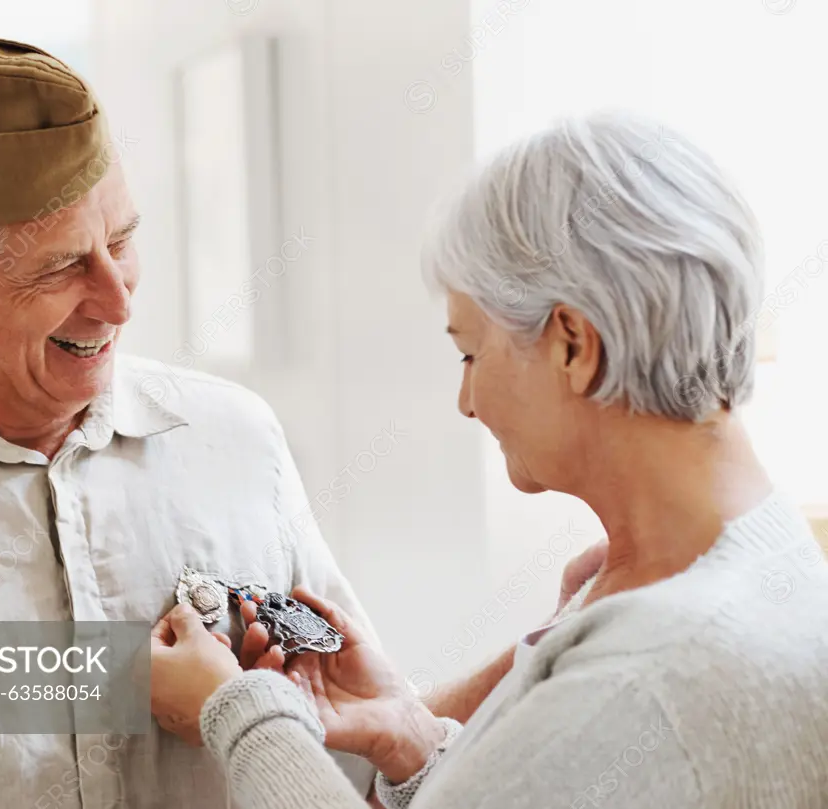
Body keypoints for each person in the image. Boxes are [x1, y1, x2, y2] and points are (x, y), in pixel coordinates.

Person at [148, 111, 828, 808]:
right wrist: (416, 737)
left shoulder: (642, 672)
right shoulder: (764, 559)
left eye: (470, 352)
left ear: (572, 343)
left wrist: (239, 709)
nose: (466, 400)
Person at [0, 35, 384, 808]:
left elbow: (364, 757)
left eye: (121, 241)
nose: (119, 300)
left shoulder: (238, 440)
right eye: (61, 264)